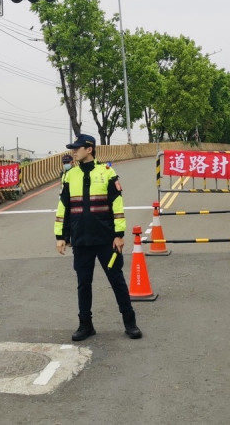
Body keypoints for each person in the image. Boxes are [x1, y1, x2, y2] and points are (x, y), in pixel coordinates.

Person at [55, 133, 142, 341]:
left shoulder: (107, 172)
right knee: (83, 284)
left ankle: (130, 323)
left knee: (117, 281)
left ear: (89, 149)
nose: (73, 152)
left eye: (77, 148)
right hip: (81, 240)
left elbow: (117, 206)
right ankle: (85, 325)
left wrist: (119, 234)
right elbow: (63, 207)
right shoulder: (70, 175)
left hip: (106, 240)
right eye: (73, 148)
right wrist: (61, 236)